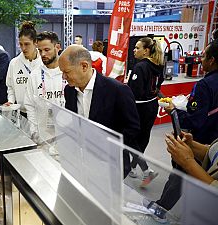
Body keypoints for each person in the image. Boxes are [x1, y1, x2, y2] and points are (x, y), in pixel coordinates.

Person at [145, 39, 218, 223]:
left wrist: (174, 112)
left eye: (204, 56)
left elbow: (197, 120)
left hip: (201, 141)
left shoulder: (205, 85)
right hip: (214, 143)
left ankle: (161, 209)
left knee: (180, 173)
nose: (201, 59)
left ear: (212, 60)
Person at [60, 45, 141, 178]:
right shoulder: (69, 91)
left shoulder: (117, 90)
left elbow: (133, 128)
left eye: (67, 72)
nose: (63, 77)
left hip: (111, 164)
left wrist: (109, 148)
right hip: (82, 161)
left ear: (84, 66)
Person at [127, 37, 164, 187]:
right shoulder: (159, 66)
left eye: (137, 48)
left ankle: (146, 170)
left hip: (139, 108)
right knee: (143, 138)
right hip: (152, 106)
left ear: (146, 51)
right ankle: (132, 167)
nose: (134, 50)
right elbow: (158, 86)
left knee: (128, 138)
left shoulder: (140, 67)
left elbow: (134, 92)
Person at [24, 31, 66, 137]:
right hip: (44, 136)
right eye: (40, 50)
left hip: (66, 134)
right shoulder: (34, 75)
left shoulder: (68, 72)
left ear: (57, 47)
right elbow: (30, 106)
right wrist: (34, 131)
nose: (43, 54)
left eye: (47, 50)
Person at [5, 21, 42, 115]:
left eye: (27, 44)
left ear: (35, 42)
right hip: (22, 112)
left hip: (40, 113)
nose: (23, 48)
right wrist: (11, 101)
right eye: (21, 44)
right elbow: (10, 87)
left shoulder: (44, 62)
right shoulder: (14, 63)